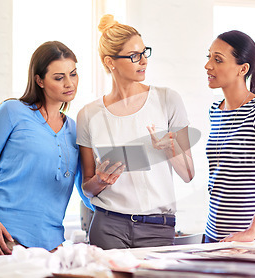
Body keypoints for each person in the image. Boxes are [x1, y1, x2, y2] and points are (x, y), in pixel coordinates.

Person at [76, 14, 194, 249]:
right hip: (107, 226)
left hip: (158, 227)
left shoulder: (167, 100)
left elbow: (189, 174)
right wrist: (100, 181)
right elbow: (86, 188)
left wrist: (170, 148)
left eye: (144, 52)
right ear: (110, 62)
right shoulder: (88, 115)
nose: (143, 61)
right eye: (134, 56)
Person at [0, 41, 92, 256]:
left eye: (73, 74)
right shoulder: (11, 111)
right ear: (39, 80)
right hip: (3, 236)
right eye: (59, 77)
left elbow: (84, 189)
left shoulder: (75, 129)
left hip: (51, 242)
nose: (69, 83)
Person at [204, 30, 255, 243]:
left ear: (243, 69)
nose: (208, 66)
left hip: (251, 240)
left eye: (218, 59)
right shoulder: (216, 110)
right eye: (209, 57)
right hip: (214, 236)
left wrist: (252, 232)